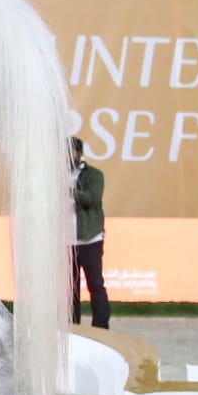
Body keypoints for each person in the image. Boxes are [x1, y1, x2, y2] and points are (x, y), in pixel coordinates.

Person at [71, 136, 109, 329]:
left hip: (89, 239)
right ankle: (72, 326)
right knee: (71, 290)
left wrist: (70, 192)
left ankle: (101, 326)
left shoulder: (94, 174)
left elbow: (93, 198)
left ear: (78, 153)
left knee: (95, 285)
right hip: (66, 242)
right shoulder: (56, 176)